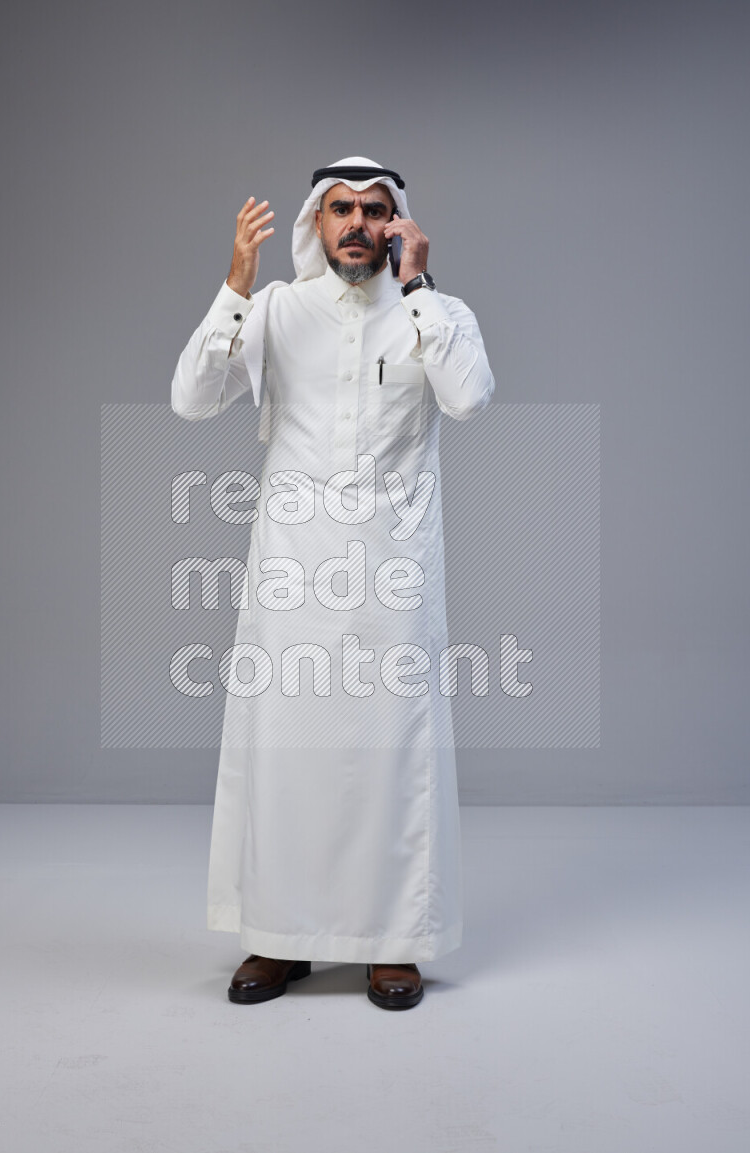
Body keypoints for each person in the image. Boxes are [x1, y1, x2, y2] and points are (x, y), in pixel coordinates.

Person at [171, 156, 495, 1010]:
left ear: (400, 225)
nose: (357, 223)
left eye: (376, 210)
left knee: (391, 754)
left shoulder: (436, 312)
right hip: (291, 568)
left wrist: (420, 285)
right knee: (286, 757)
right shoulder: (278, 309)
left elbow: (468, 399)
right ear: (317, 223)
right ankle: (279, 940)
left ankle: (395, 943)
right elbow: (190, 400)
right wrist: (237, 283)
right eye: (341, 208)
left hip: (393, 569)